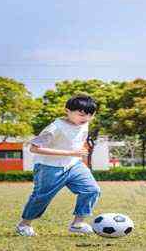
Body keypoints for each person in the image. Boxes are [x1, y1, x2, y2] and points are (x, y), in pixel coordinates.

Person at [15, 94, 101, 236]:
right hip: (49, 167)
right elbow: (34, 148)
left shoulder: (84, 122)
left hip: (74, 165)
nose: (86, 119)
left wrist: (76, 154)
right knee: (42, 197)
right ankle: (24, 225)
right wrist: (70, 152)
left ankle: (78, 223)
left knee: (92, 190)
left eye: (90, 115)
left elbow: (76, 141)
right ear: (67, 111)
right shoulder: (55, 128)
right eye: (81, 115)